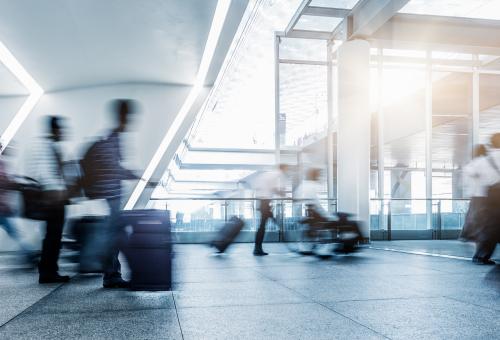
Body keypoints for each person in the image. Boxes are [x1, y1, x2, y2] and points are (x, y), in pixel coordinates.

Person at [85, 99, 140, 288]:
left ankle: (112, 273)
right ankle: (110, 273)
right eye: (128, 116)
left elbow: (113, 167)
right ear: (122, 116)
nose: (130, 120)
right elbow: (113, 168)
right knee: (114, 236)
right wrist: (133, 174)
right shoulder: (113, 138)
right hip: (112, 194)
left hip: (111, 194)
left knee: (115, 235)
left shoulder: (112, 137)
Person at [29, 116, 70, 283]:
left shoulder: (50, 146)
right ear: (55, 130)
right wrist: (57, 193)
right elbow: (47, 173)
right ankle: (48, 272)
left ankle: (48, 270)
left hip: (54, 197)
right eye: (60, 129)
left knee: (52, 236)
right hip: (53, 198)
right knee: (53, 236)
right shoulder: (47, 147)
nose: (63, 132)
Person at [0, 143, 35, 260]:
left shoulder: (3, 163)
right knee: (14, 231)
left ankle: (27, 252)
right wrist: (19, 184)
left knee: (14, 231)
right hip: (2, 207)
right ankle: (27, 252)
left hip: (3, 207)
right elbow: (4, 182)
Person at [252, 164, 288, 256]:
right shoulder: (276, 174)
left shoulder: (270, 174)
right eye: (286, 170)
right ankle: (257, 249)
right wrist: (284, 194)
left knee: (263, 225)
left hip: (263, 201)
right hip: (264, 202)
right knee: (262, 226)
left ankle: (258, 248)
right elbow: (274, 189)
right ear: (283, 169)